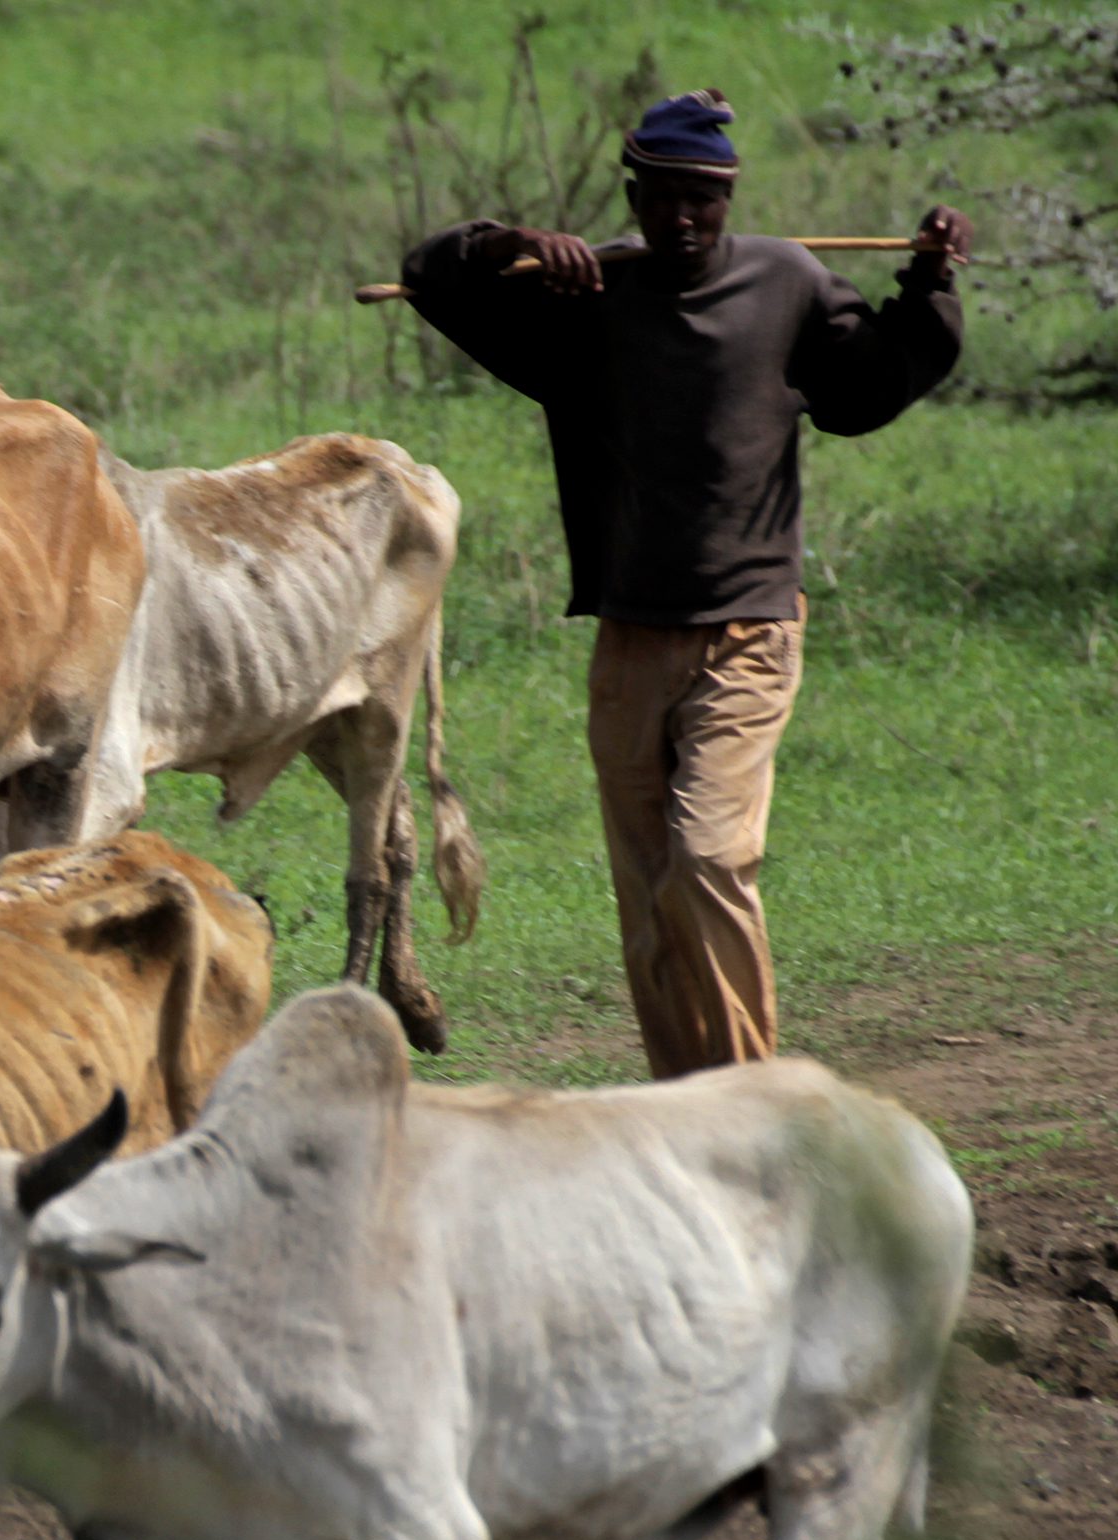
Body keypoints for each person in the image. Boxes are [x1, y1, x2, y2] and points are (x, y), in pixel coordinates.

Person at [401, 89, 972, 1078]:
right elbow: (427, 279)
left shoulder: (784, 283)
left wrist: (926, 282)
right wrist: (506, 246)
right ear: (632, 193)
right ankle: (684, 1100)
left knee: (705, 860)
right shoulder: (583, 301)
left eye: (699, 201)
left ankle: (754, 1101)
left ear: (727, 197)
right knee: (646, 891)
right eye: (660, 198)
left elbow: (868, 385)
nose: (678, 219)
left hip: (749, 631)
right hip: (628, 638)